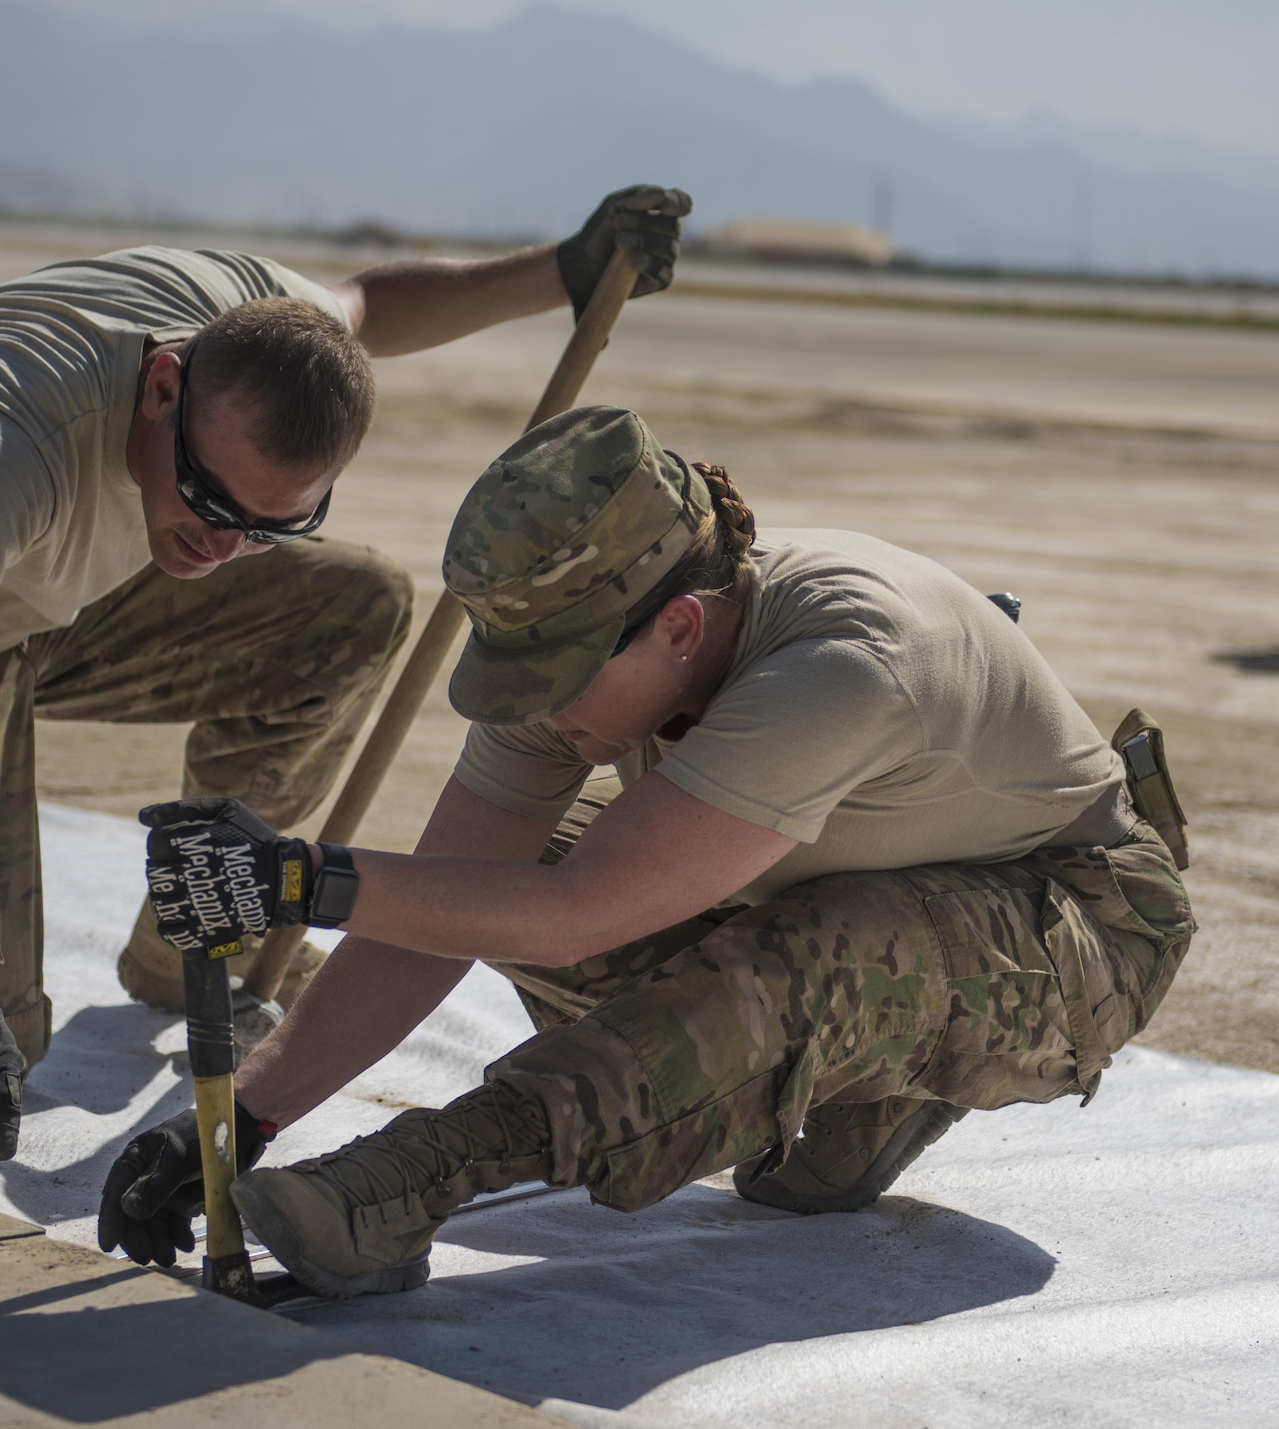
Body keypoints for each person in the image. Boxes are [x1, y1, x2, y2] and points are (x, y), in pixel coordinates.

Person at [0, 188, 694, 1160]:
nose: (221, 546)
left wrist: (562, 267)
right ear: (160, 384)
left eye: (265, 526)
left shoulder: (253, 330)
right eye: (208, 501)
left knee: (353, 604)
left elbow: (370, 304)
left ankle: (188, 942)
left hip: (42, 606)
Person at [102, 404, 1195, 1296]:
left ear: (678, 627)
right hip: (873, 893)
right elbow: (432, 917)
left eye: (555, 678)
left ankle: (409, 1182)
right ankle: (872, 1096)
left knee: (808, 948)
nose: (535, 707)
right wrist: (242, 1118)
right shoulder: (591, 634)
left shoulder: (843, 662)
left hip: (1078, 928)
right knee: (494, 884)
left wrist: (299, 880)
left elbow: (587, 911)